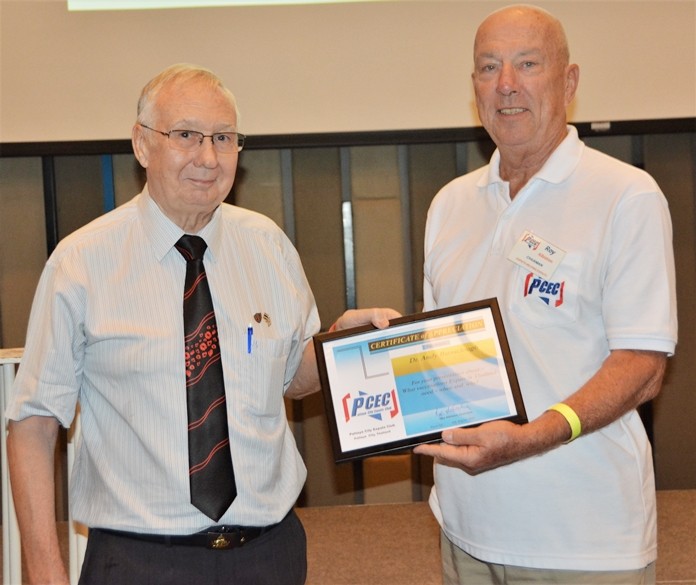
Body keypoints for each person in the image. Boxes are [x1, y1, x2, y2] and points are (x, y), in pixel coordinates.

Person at [6, 63, 397, 585]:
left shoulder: (268, 245)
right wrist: (43, 571)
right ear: (142, 145)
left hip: (269, 553)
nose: (208, 158)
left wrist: (337, 348)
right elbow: (33, 426)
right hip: (140, 562)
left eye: (224, 138)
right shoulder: (81, 263)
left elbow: (290, 379)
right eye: (186, 135)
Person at [413, 5, 677, 584]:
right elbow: (441, 357)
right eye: (488, 67)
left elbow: (642, 367)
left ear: (569, 81)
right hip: (466, 530)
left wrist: (530, 438)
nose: (506, 85)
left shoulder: (625, 197)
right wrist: (382, 350)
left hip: (583, 542)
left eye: (527, 64)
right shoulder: (450, 204)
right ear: (475, 86)